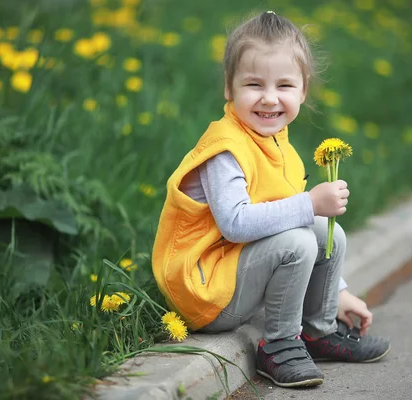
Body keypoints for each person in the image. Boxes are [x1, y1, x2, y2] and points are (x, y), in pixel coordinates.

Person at [152, 10, 390, 388]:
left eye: (284, 86)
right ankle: (279, 345)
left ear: (303, 90)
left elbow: (292, 219)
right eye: (253, 85)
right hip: (205, 291)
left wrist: (338, 292)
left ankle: (319, 329)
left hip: (234, 272)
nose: (269, 98)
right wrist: (309, 204)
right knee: (299, 236)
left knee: (331, 233)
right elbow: (236, 224)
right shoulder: (225, 149)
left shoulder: (279, 146)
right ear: (229, 89)